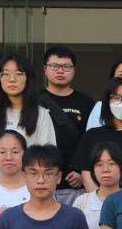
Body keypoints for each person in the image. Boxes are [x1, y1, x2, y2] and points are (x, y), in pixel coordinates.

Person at [0, 52, 57, 185]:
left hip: (28, 190)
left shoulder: (41, 114)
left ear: (28, 78)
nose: (12, 79)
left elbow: (47, 157)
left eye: (19, 73)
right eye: (5, 74)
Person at [39, 45, 94, 205]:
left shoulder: (87, 103)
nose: (60, 71)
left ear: (74, 70)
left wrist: (83, 172)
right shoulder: (34, 101)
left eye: (66, 66)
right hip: (42, 181)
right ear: (45, 69)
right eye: (55, 66)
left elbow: (92, 141)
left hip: (76, 185)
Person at [72, 77, 122, 192]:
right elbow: (86, 176)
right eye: (116, 98)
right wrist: (102, 199)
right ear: (107, 102)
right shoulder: (92, 136)